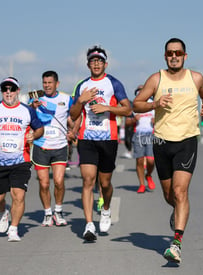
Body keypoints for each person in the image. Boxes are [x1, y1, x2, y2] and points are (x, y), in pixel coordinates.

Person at [133, 38, 203, 264]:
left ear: (185, 56)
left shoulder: (195, 78)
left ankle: (176, 243)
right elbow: (136, 104)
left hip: (187, 140)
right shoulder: (156, 79)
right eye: (170, 53)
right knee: (169, 195)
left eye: (178, 52)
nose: (174, 56)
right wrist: (154, 104)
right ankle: (178, 212)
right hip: (161, 142)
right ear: (165, 56)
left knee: (180, 192)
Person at [70, 45, 131, 241]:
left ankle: (105, 209)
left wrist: (106, 107)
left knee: (105, 183)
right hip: (87, 139)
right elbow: (73, 114)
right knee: (88, 180)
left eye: (99, 60)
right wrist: (81, 100)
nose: (96, 63)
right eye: (92, 61)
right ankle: (89, 225)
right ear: (88, 64)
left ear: (105, 63)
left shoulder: (114, 83)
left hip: (108, 140)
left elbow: (128, 109)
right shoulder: (82, 85)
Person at [0, 77, 44, 242]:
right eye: (5, 89)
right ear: (2, 92)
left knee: (18, 195)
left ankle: (13, 228)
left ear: (17, 91)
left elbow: (40, 128)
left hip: (21, 161)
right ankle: (3, 212)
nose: (8, 92)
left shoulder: (27, 110)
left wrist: (34, 135)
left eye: (11, 89)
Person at [29, 70, 75, 227]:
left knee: (59, 181)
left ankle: (59, 211)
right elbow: (27, 118)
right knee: (43, 184)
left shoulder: (66, 99)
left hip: (60, 146)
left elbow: (76, 115)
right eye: (44, 83)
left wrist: (73, 131)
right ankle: (48, 213)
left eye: (50, 83)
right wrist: (32, 108)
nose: (47, 86)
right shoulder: (36, 99)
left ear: (57, 84)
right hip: (41, 145)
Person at [128, 85, 156, 193]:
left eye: (142, 91)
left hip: (150, 135)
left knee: (150, 160)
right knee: (139, 161)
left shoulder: (152, 105)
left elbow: (161, 120)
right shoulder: (134, 106)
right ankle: (142, 184)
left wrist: (156, 121)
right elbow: (127, 123)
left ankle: (148, 175)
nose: (140, 93)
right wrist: (133, 120)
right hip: (138, 135)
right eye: (138, 91)